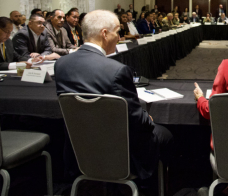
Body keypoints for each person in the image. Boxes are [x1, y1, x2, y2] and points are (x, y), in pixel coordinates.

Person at [55, 10, 173, 186]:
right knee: (166, 134)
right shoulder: (117, 70)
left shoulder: (61, 64)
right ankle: (156, 186)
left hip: (79, 150)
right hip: (120, 154)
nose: (119, 38)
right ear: (104, 33)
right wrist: (148, 118)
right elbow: (137, 120)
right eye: (117, 32)